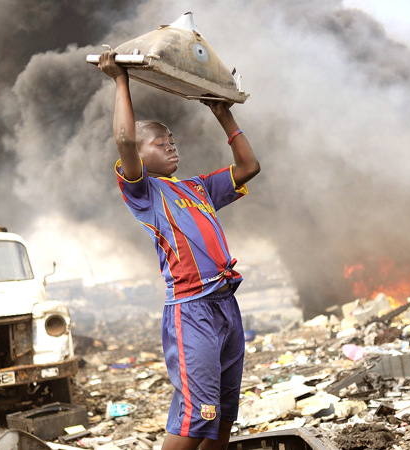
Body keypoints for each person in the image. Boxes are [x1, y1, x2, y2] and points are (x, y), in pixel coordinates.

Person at [98, 51, 260, 450]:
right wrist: (121, 79)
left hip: (225, 305)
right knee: (195, 417)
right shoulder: (143, 191)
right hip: (192, 311)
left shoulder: (197, 187)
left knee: (223, 414)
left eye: (172, 140)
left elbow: (249, 166)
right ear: (139, 153)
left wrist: (223, 114)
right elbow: (123, 137)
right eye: (160, 141)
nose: (171, 146)